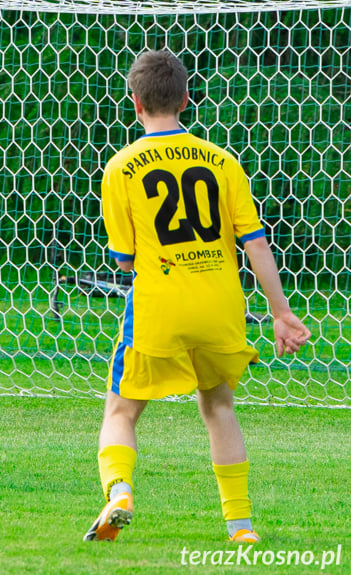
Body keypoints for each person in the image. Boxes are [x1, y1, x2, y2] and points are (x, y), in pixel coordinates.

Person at [83, 50, 310, 543]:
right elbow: (255, 243)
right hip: (219, 307)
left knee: (121, 411)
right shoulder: (223, 161)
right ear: (187, 99)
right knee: (219, 407)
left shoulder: (120, 168)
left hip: (159, 307)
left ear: (136, 102)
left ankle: (119, 491)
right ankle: (241, 526)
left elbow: (124, 259)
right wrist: (281, 313)